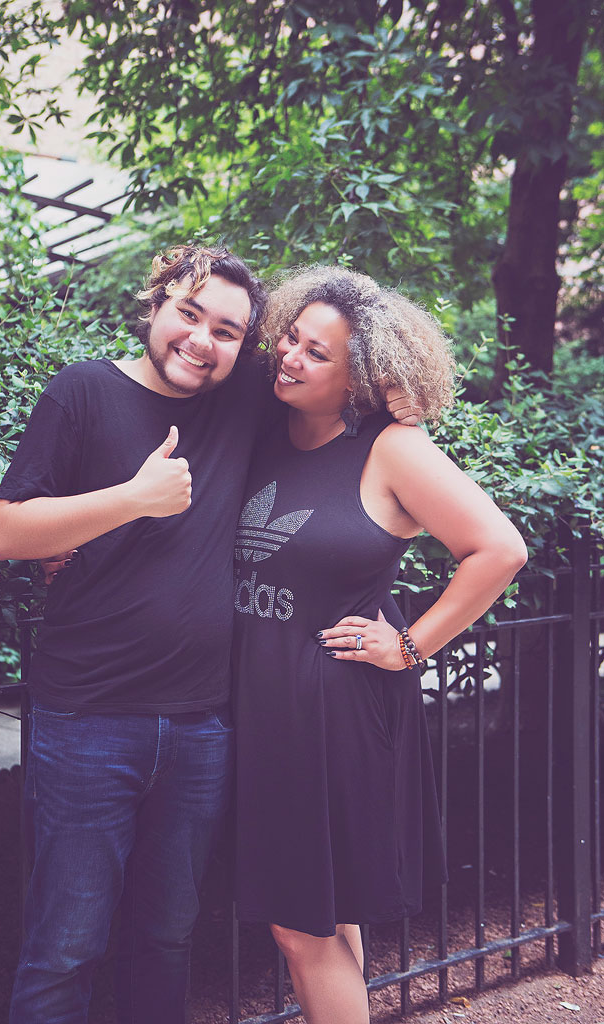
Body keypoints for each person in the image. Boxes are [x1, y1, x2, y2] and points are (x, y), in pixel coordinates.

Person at [0, 243, 418, 1024]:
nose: (201, 340)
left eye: (227, 331)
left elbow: (352, 370)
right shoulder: (83, 391)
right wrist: (134, 498)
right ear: (155, 305)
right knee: (66, 945)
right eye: (188, 314)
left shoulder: (244, 398)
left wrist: (402, 625)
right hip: (88, 718)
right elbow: (7, 531)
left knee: (168, 937)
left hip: (204, 726)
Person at [232, 266, 528, 1024]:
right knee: (324, 915)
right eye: (290, 339)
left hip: (331, 707)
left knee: (299, 923)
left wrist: (411, 645)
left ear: (358, 375)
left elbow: (498, 549)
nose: (291, 358)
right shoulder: (264, 424)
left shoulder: (392, 448)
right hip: (263, 703)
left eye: (316, 353)